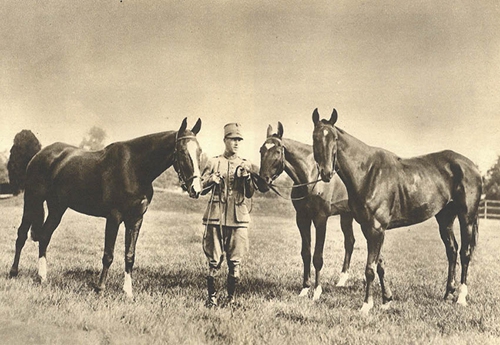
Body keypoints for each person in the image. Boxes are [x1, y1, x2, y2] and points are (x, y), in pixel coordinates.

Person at [201, 123, 255, 307]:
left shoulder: (245, 164)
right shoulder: (213, 162)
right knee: (214, 259)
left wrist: (246, 178)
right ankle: (212, 298)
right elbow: (199, 187)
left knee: (235, 260)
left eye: (239, 140)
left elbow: (249, 193)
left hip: (238, 217)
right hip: (216, 215)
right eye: (233, 139)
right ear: (225, 140)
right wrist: (211, 180)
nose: (236, 143)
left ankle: (231, 299)